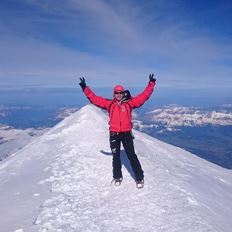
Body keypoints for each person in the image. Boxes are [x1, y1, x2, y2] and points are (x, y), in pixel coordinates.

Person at [79, 74, 156, 188]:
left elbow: (143, 96)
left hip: (126, 134)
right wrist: (85, 88)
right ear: (114, 94)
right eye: (117, 93)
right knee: (116, 156)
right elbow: (95, 99)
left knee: (131, 155)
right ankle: (117, 177)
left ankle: (139, 178)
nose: (118, 94)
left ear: (123, 93)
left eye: (120, 92)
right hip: (114, 133)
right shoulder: (109, 104)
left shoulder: (129, 103)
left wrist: (151, 84)